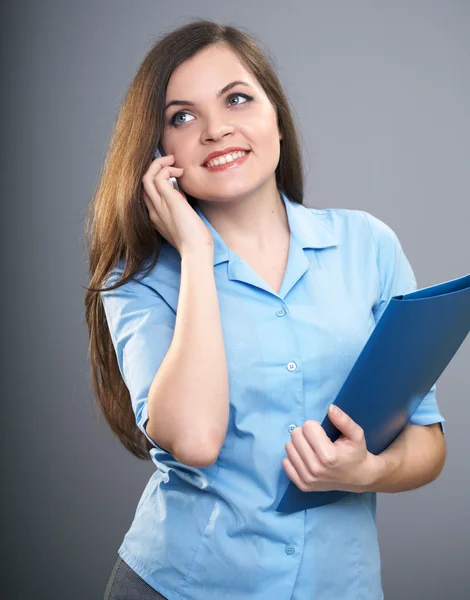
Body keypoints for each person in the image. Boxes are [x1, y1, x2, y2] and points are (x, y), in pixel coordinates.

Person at [84, 18, 446, 600]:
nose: (216, 130)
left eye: (236, 99)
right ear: (160, 155)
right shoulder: (139, 282)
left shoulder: (368, 246)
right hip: (180, 585)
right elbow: (196, 440)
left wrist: (368, 472)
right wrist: (197, 254)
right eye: (182, 116)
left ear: (275, 116)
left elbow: (427, 440)